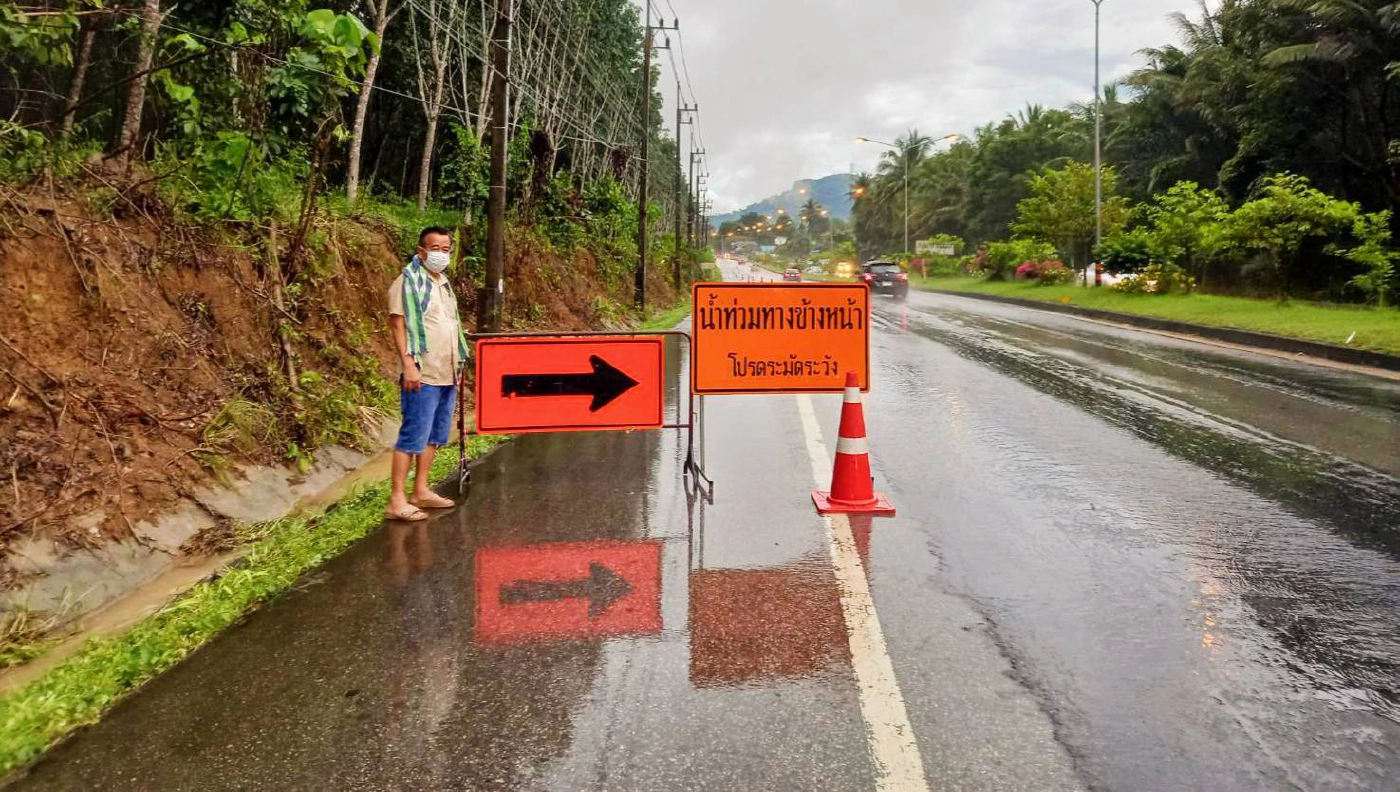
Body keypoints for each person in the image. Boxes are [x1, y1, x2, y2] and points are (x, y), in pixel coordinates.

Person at [385, 227, 469, 521]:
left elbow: (450, 326)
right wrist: (408, 365)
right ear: (421, 251)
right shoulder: (407, 282)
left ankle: (420, 490)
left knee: (434, 435)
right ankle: (396, 500)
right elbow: (398, 325)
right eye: (436, 248)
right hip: (422, 372)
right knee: (413, 436)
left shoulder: (443, 283)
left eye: (446, 250)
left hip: (446, 372)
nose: (441, 254)